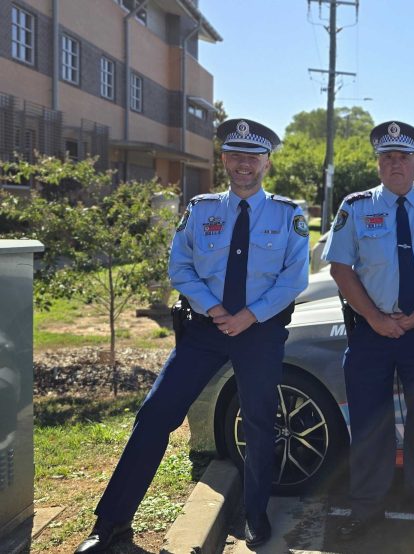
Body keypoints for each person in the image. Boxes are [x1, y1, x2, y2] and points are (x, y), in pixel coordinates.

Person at [76, 119, 308, 552]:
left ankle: (255, 514)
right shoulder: (201, 211)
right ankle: (111, 524)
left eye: (253, 157)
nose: (244, 165)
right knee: (155, 415)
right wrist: (218, 310)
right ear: (224, 160)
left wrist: (249, 317)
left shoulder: (288, 214)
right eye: (235, 155)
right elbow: (179, 267)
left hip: (257, 333)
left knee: (259, 424)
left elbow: (293, 279)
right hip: (205, 330)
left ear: (267, 163)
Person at [323, 120, 414, 539]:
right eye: (387, 157)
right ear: (379, 164)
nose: (395, 164)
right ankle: (367, 507)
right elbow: (340, 268)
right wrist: (374, 318)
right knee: (370, 421)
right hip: (371, 333)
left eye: (403, 157)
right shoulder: (356, 206)